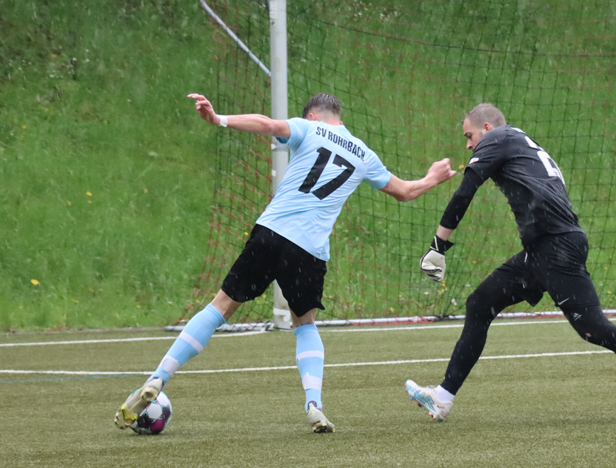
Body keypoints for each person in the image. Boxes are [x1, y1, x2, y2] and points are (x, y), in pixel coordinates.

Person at [115, 93, 456, 433]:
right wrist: (432, 177)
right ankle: (314, 404)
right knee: (305, 325)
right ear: (339, 116)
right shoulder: (363, 153)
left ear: (312, 115)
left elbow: (266, 124)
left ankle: (159, 377)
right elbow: (405, 191)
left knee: (220, 307)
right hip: (308, 251)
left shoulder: (308, 128)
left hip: (271, 233)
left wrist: (218, 118)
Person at [405, 103, 616, 425]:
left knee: (594, 329)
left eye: (469, 135)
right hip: (542, 250)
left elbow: (465, 191)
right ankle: (443, 398)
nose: (467, 144)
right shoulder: (520, 142)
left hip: (556, 247)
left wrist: (438, 245)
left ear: (487, 128)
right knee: (480, 304)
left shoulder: (498, 137)